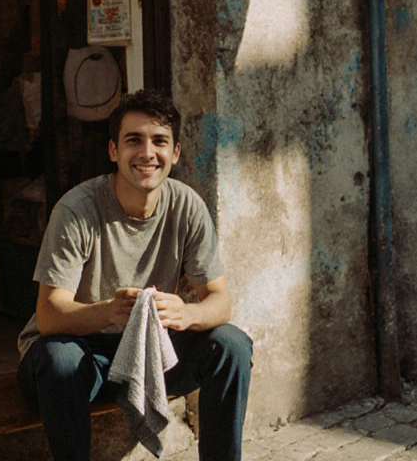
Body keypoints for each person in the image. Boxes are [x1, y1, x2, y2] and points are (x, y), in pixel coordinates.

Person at [16, 89, 252, 461]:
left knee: (231, 345)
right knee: (58, 358)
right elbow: (48, 315)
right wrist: (109, 311)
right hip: (82, 357)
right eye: (133, 140)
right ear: (113, 151)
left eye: (159, 141)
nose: (147, 153)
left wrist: (186, 313)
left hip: (151, 353)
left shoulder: (187, 205)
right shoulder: (77, 209)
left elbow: (220, 302)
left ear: (174, 153)